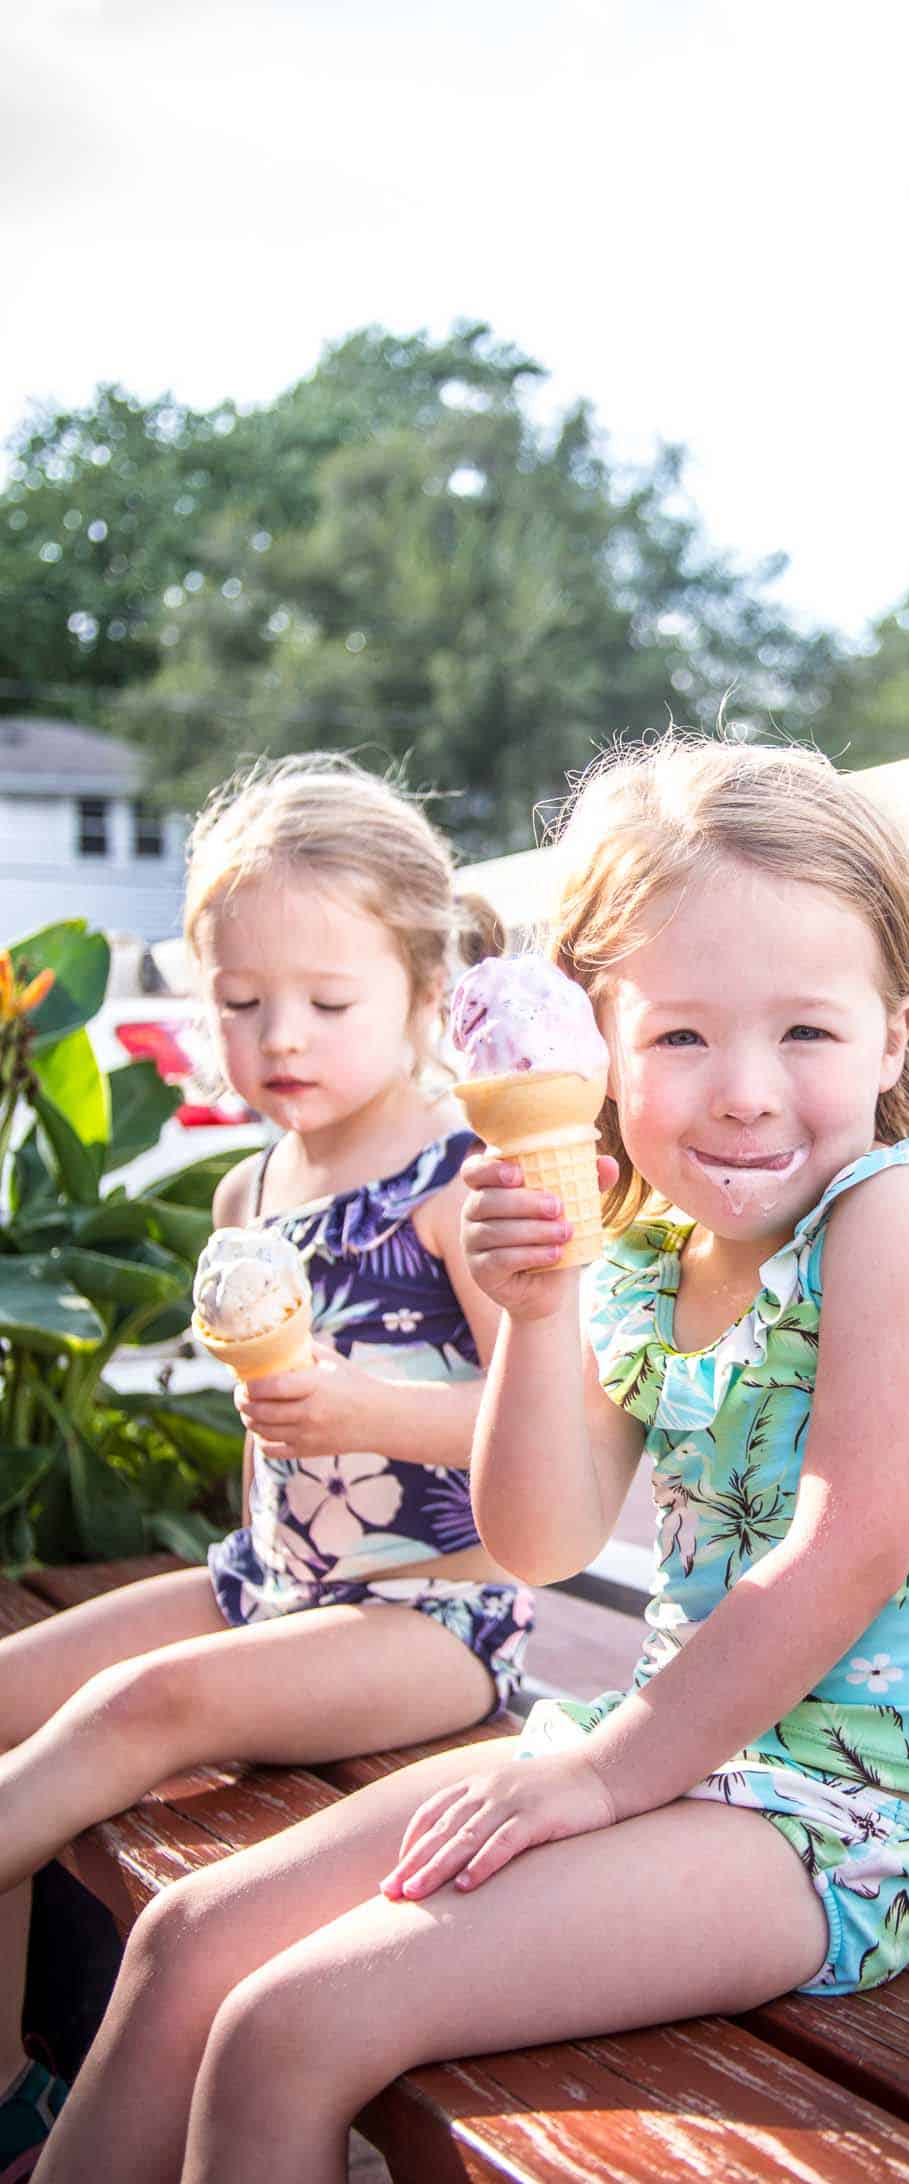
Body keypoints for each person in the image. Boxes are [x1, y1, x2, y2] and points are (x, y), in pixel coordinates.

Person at [36, 733, 909, 2184]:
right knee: (189, 1945)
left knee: (287, 2028)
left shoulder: (901, 1214)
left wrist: (600, 1779)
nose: (745, 1090)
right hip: (660, 1759)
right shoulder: (643, 1247)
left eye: (805, 1034)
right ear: (598, 1050)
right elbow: (539, 1538)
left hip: (834, 1828)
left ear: (894, 1035)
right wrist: (538, 1313)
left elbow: (849, 1550)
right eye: (681, 1037)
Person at [4, 755, 531, 2182]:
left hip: (433, 1618)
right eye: (240, 1005)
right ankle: (7, 2096)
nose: (277, 1036)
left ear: (427, 994)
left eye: (328, 1002)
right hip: (267, 1584)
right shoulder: (249, 1189)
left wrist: (372, 1408)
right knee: (10, 1691)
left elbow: (554, 1454)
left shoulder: (463, 1187)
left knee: (143, 1704)